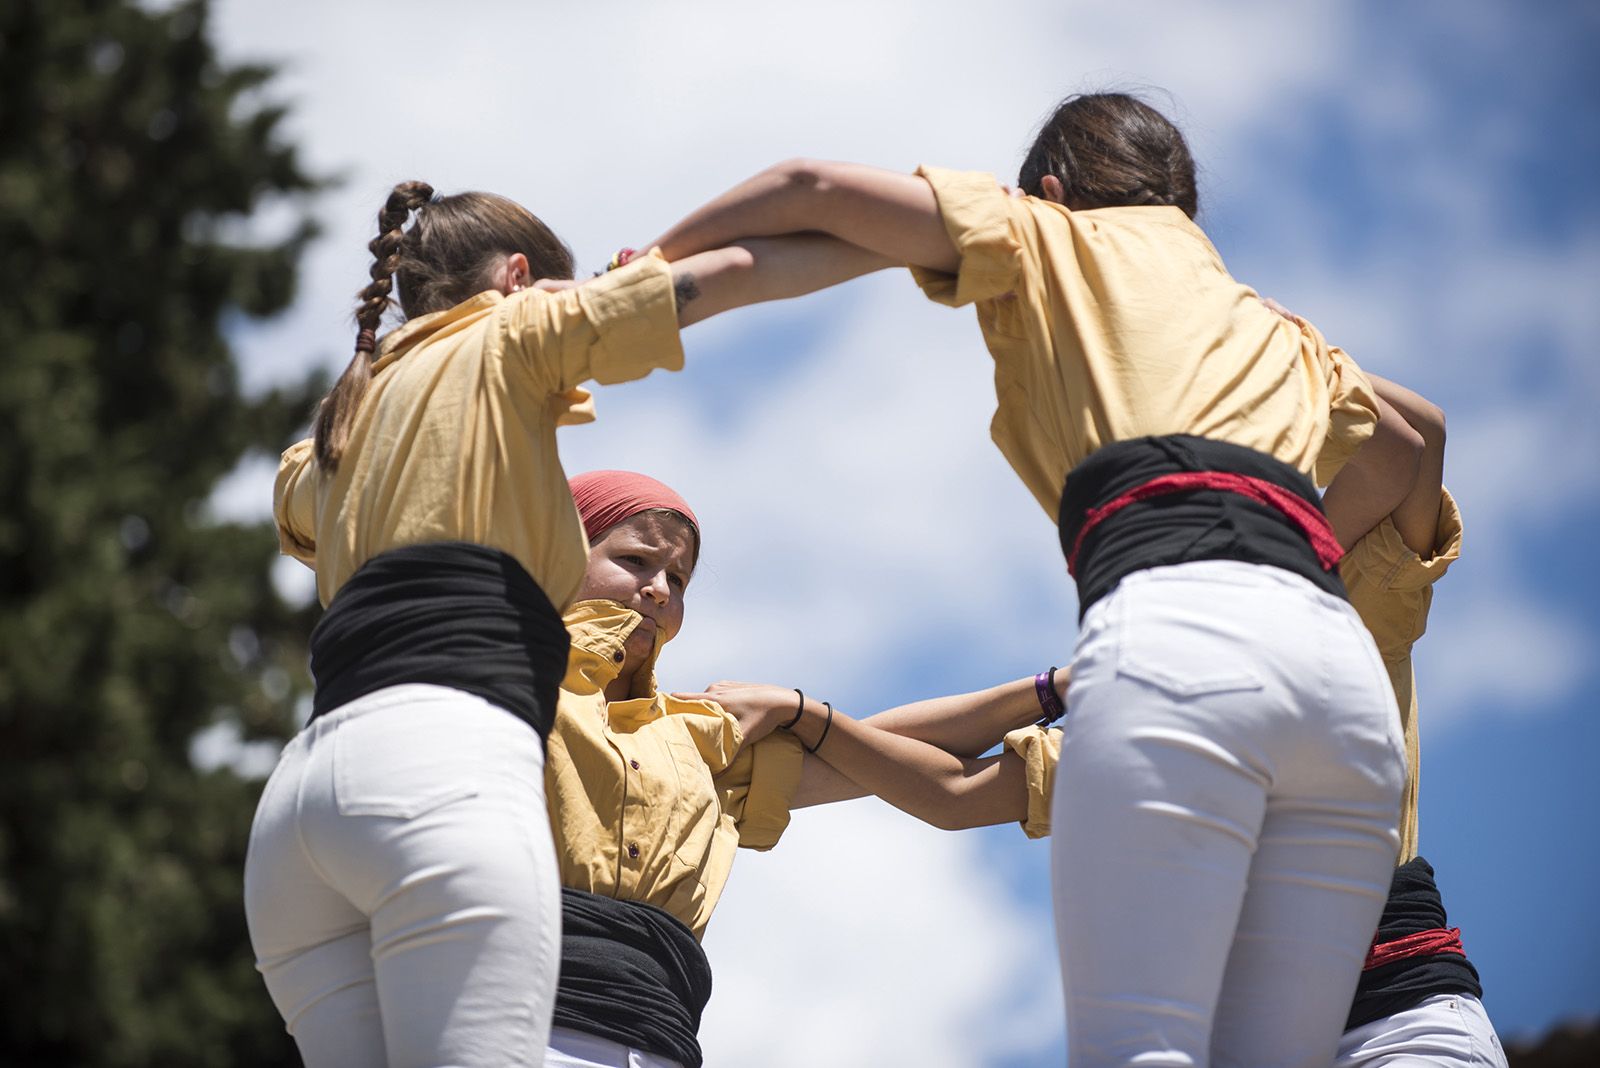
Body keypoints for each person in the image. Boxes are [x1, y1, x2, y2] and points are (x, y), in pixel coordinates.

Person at [644, 92, 1416, 1065]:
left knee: (1145, 1047)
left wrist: (650, 270)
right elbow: (1404, 446)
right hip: (1341, 683)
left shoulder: (1049, 233)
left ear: (1051, 189)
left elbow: (812, 189)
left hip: (1184, 626)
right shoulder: (1275, 328)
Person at [242, 182, 888, 1067]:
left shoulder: (338, 430)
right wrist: (927, 249)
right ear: (517, 278)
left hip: (302, 813)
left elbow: (322, 494)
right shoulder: (512, 334)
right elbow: (742, 268)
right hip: (437, 774)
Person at [707, 369, 1508, 1067]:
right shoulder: (1145, 707)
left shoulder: (1345, 610)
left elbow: (1409, 440)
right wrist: (808, 714)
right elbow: (950, 790)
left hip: (1398, 1022)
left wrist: (1218, 325)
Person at [541, 469, 1069, 1068]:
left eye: (679, 579)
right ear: (555, 552)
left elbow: (889, 756)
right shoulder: (498, 678)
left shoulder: (688, 742)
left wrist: (1057, 690)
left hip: (654, 1042)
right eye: (636, 560)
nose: (660, 589)